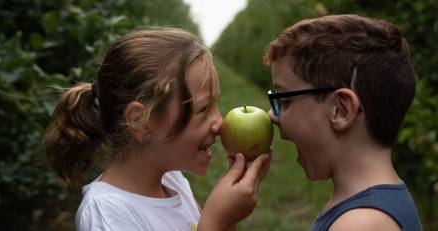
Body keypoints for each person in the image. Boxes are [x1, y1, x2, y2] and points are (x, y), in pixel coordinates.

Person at [44, 27, 271, 231]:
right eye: (203, 109)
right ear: (142, 121)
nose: (220, 123)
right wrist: (215, 221)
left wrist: (228, 217)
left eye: (216, 105)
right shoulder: (107, 214)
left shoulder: (173, 182)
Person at [263, 14, 422, 231]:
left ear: (341, 109)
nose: (273, 116)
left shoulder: (360, 224)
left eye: (286, 100)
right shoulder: (368, 207)